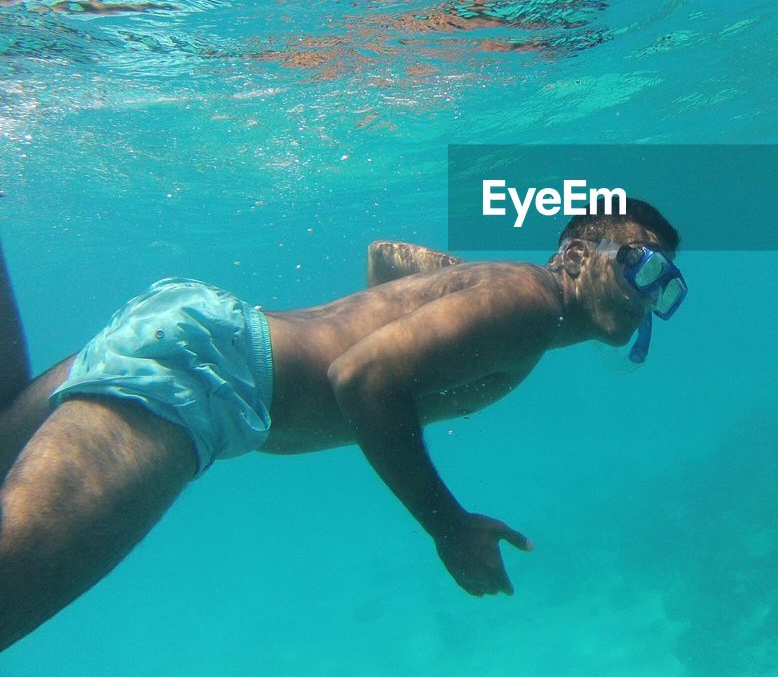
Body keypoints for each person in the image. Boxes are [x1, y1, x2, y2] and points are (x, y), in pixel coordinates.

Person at [0, 200, 686, 650]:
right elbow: (364, 378)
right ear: (574, 254)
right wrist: (448, 524)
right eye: (642, 266)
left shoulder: (508, 291)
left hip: (199, 336)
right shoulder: (533, 308)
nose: (649, 296)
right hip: (208, 375)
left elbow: (389, 254)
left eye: (666, 285)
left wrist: (403, 305)